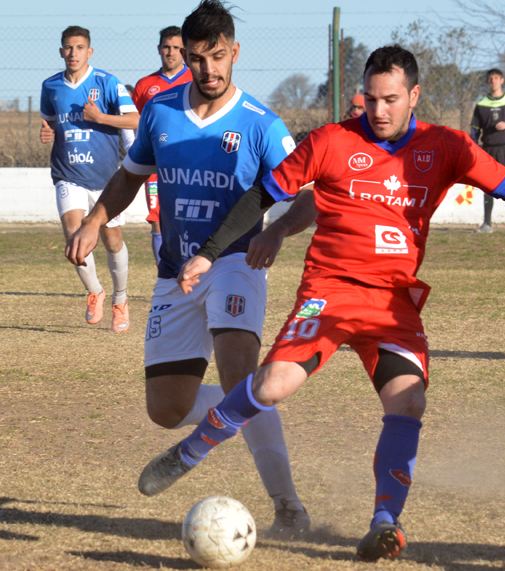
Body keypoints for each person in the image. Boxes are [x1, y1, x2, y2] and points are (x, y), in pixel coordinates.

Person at [135, 44, 505, 561]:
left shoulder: (445, 147)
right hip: (328, 293)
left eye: (391, 100)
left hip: (393, 304)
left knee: (409, 401)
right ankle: (190, 450)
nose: (378, 111)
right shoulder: (331, 140)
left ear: (414, 96)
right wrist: (211, 253)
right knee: (272, 383)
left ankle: (385, 521)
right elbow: (261, 197)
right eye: (371, 99)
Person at [65, 0, 313, 538]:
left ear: (235, 52)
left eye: (218, 57)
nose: (209, 70)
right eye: (198, 58)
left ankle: (287, 504)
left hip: (236, 263)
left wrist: (275, 231)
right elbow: (131, 176)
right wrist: (95, 219)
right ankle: (237, 412)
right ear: (185, 56)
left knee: (238, 377)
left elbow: (310, 199)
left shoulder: (261, 125)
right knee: (167, 409)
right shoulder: (161, 111)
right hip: (174, 270)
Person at [40, 25, 140, 332]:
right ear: (61, 52)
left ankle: (120, 299)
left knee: (111, 241)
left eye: (79, 47)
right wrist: (48, 131)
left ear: (89, 51)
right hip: (68, 174)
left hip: (105, 179)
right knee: (74, 235)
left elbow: (136, 119)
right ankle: (95, 291)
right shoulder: (51, 86)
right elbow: (51, 123)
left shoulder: (106, 83)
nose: (73, 53)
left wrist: (101, 118)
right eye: (68, 48)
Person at [131, 26, 193, 265]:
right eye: (166, 46)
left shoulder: (194, 80)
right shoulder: (145, 85)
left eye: (177, 47)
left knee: (188, 219)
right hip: (155, 166)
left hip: (189, 164)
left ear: (184, 51)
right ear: (159, 49)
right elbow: (132, 122)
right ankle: (164, 278)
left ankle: (190, 274)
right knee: (157, 219)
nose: (171, 52)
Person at [470, 68, 505, 233]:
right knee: (488, 186)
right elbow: (474, 129)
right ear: (488, 82)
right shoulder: (481, 104)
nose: (493, 81)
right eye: (490, 78)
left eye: (496, 78)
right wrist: (474, 148)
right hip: (488, 149)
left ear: (502, 80)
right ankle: (487, 224)